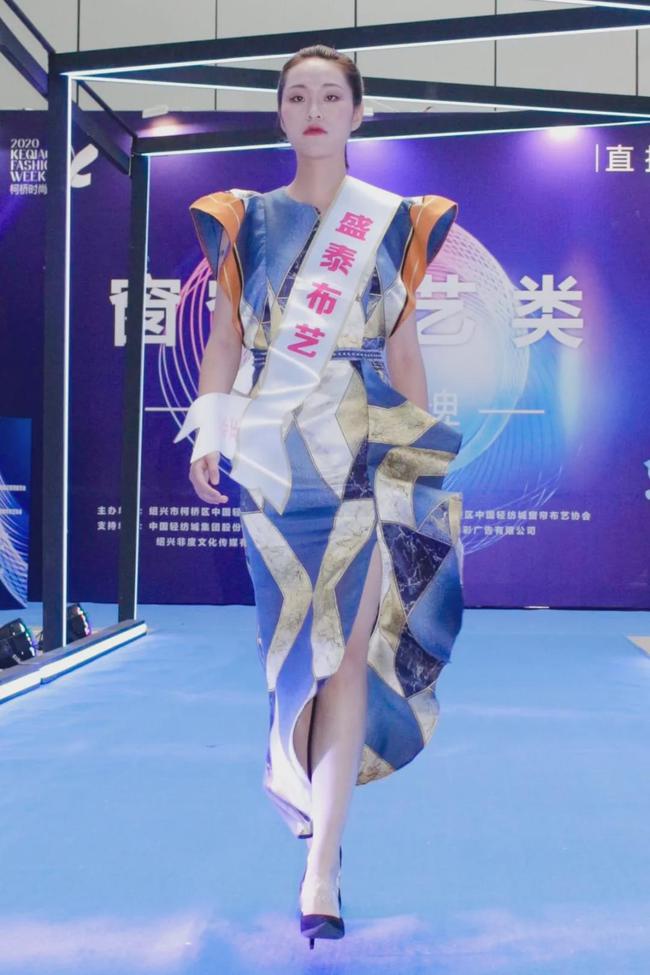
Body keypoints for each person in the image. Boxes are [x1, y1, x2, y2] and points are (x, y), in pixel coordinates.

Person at [179, 44, 464, 949]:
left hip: (361, 449)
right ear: (280, 112)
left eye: (330, 96)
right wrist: (211, 430)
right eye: (297, 95)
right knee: (289, 658)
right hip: (272, 459)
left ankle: (324, 862)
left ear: (356, 112)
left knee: (342, 657)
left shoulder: (395, 223)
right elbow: (226, 340)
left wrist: (420, 462)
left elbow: (405, 348)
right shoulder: (244, 221)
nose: (313, 109)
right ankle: (303, 797)